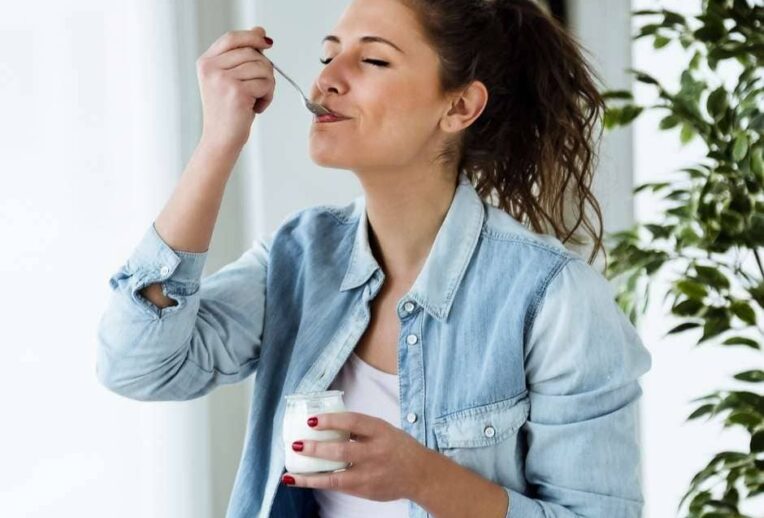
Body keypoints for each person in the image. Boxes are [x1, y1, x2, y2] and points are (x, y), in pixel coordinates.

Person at [96, 0, 652, 516]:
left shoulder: (554, 298)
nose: (326, 80)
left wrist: (423, 477)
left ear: (459, 106)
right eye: (327, 54)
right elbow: (140, 366)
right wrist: (219, 141)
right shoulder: (298, 258)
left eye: (373, 60)